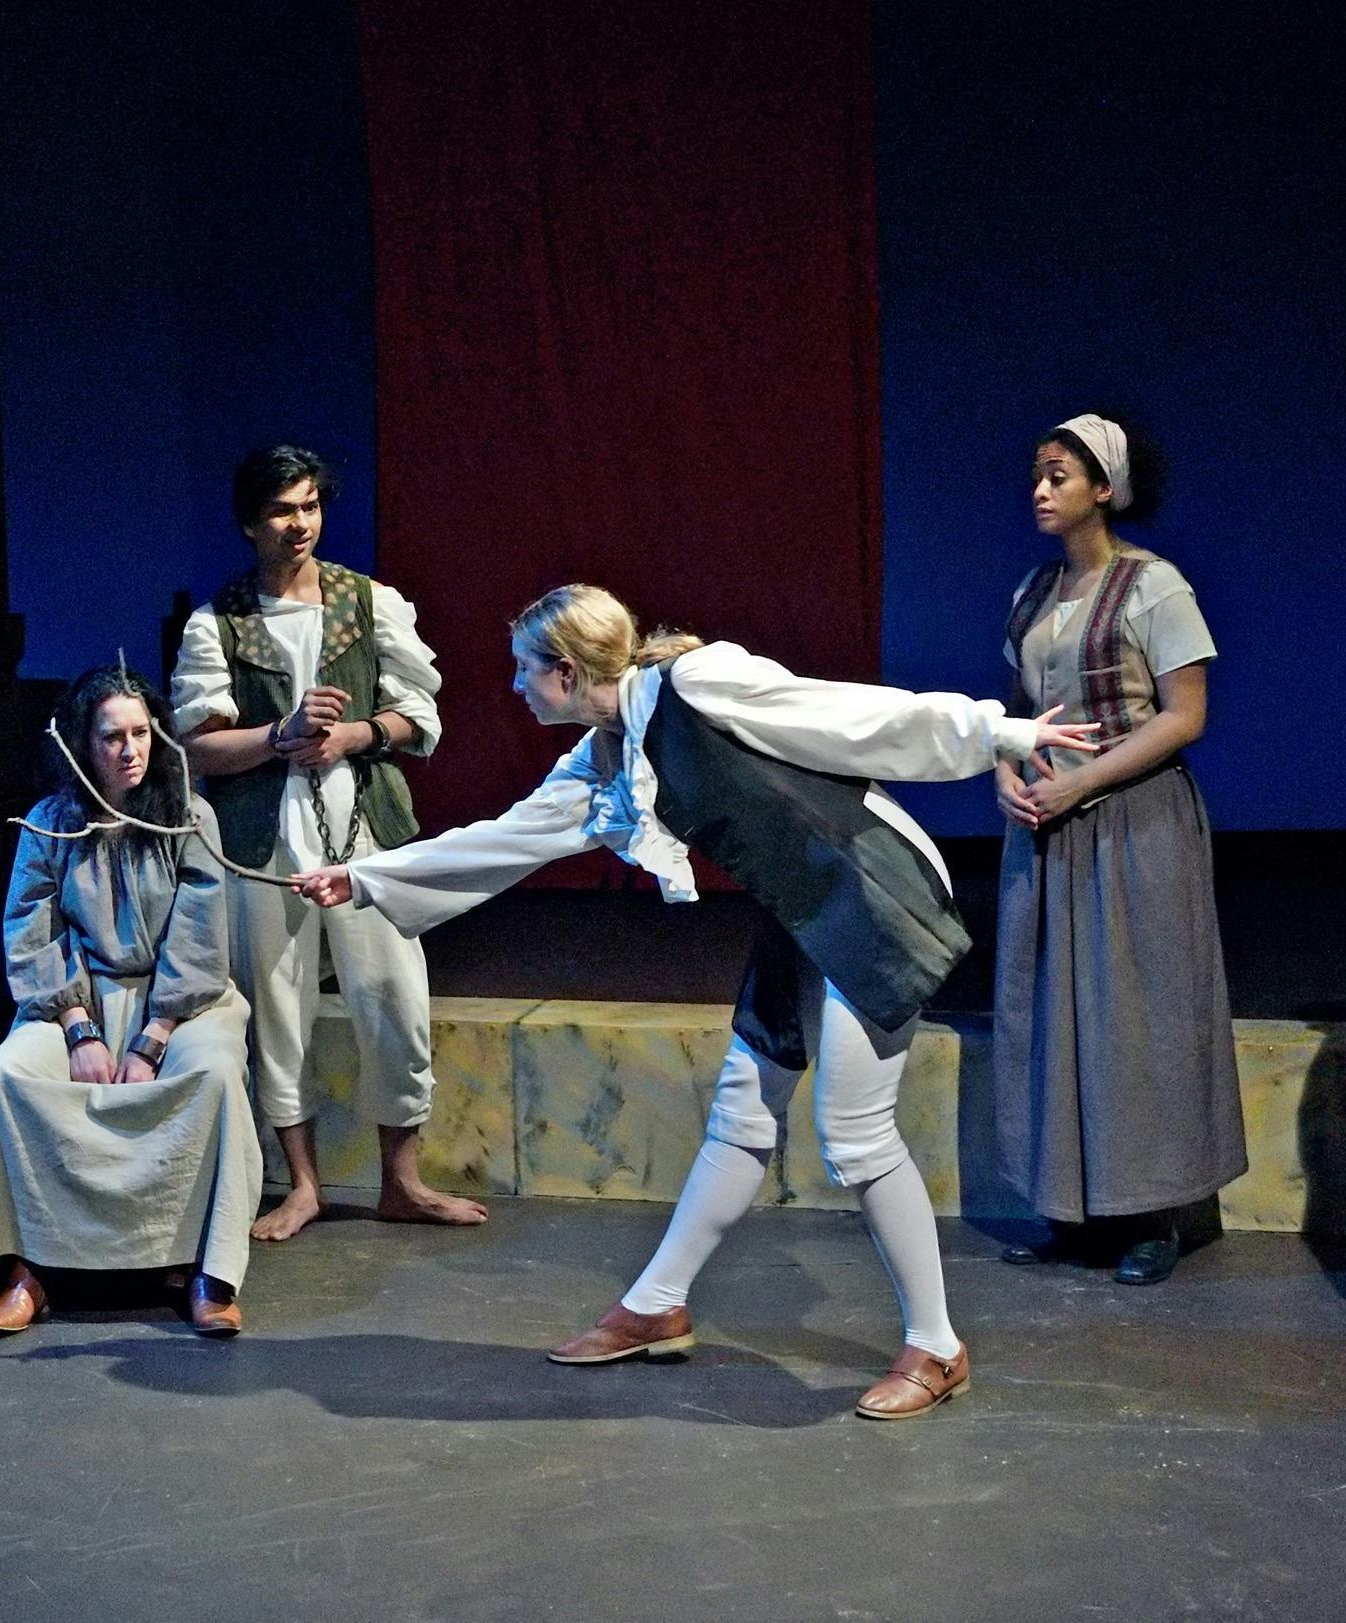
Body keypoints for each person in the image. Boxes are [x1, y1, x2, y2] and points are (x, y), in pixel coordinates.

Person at [298, 585, 1100, 1419]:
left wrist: (994, 730)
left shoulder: (697, 683)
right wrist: (364, 877)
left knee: (856, 1133)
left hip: (871, 892)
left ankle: (937, 1345)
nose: (514, 685)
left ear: (566, 671)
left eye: (523, 669)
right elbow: (509, 837)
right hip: (804, 907)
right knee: (743, 1112)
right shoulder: (610, 754)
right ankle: (657, 1302)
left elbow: (847, 715)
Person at [170, 445, 481, 1241]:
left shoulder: (369, 603)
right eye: (282, 509)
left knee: (395, 998)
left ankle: (401, 1181)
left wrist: (354, 734)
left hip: (363, 830)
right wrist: (278, 735)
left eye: (309, 505)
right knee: (278, 1009)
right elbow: (197, 746)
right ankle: (303, 1185)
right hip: (264, 839)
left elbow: (421, 717)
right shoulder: (219, 622)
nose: (299, 522)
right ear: (250, 522)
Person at [991, 413, 1245, 1284]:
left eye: (1058, 475)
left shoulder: (1154, 586)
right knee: (1053, 1012)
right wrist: (1005, 771)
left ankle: (1153, 1213)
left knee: (1139, 1016)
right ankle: (1072, 1207)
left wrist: (1083, 782)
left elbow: (1186, 715)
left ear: (1105, 488)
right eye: (1036, 473)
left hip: (1134, 825)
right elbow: (1014, 712)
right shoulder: (1033, 591)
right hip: (1046, 827)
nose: (1040, 489)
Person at [0, 666, 261, 1337]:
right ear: (82, 744)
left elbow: (198, 938)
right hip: (78, 999)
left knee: (212, 1076)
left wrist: (152, 1040)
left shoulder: (190, 816)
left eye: (141, 733)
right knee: (4, 1078)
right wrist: (79, 1029)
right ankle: (24, 1269)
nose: (131, 750)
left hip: (183, 1002)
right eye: (113, 737)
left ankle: (208, 1271)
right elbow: (32, 929)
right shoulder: (50, 823)